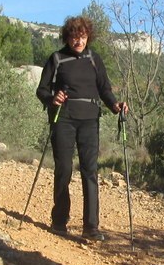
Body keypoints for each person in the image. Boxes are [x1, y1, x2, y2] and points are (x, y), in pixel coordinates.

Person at [36, 15, 128, 241]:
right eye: (74, 37)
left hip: (89, 120)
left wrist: (116, 105)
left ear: (88, 37)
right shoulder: (57, 58)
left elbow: (105, 89)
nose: (78, 41)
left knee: (90, 171)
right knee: (64, 169)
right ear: (67, 38)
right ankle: (59, 221)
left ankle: (91, 227)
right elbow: (42, 90)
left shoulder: (94, 59)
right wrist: (52, 99)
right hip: (63, 118)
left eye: (83, 37)